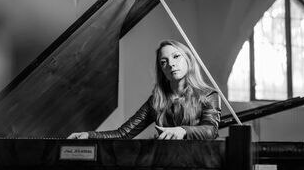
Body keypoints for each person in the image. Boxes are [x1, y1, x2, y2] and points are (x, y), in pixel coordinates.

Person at [68, 40, 221, 140]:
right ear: (162, 70)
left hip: (199, 163)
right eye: (164, 62)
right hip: (165, 165)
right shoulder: (156, 101)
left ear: (188, 60)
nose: (171, 64)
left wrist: (183, 130)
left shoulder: (208, 95)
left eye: (176, 57)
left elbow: (211, 130)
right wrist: (89, 135)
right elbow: (123, 134)